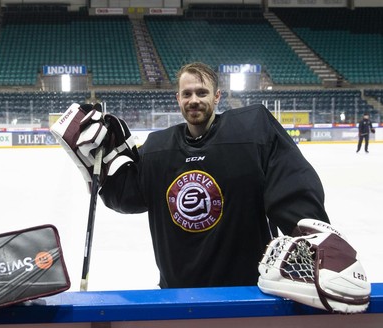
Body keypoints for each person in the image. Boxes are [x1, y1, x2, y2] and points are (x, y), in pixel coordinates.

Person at [55, 62, 330, 289]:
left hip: (246, 292)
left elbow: (291, 183)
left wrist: (315, 245)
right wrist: (103, 166)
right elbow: (128, 197)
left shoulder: (251, 134)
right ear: (178, 98)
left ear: (217, 96)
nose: (194, 100)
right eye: (187, 94)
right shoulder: (157, 149)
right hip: (177, 295)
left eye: (202, 92)